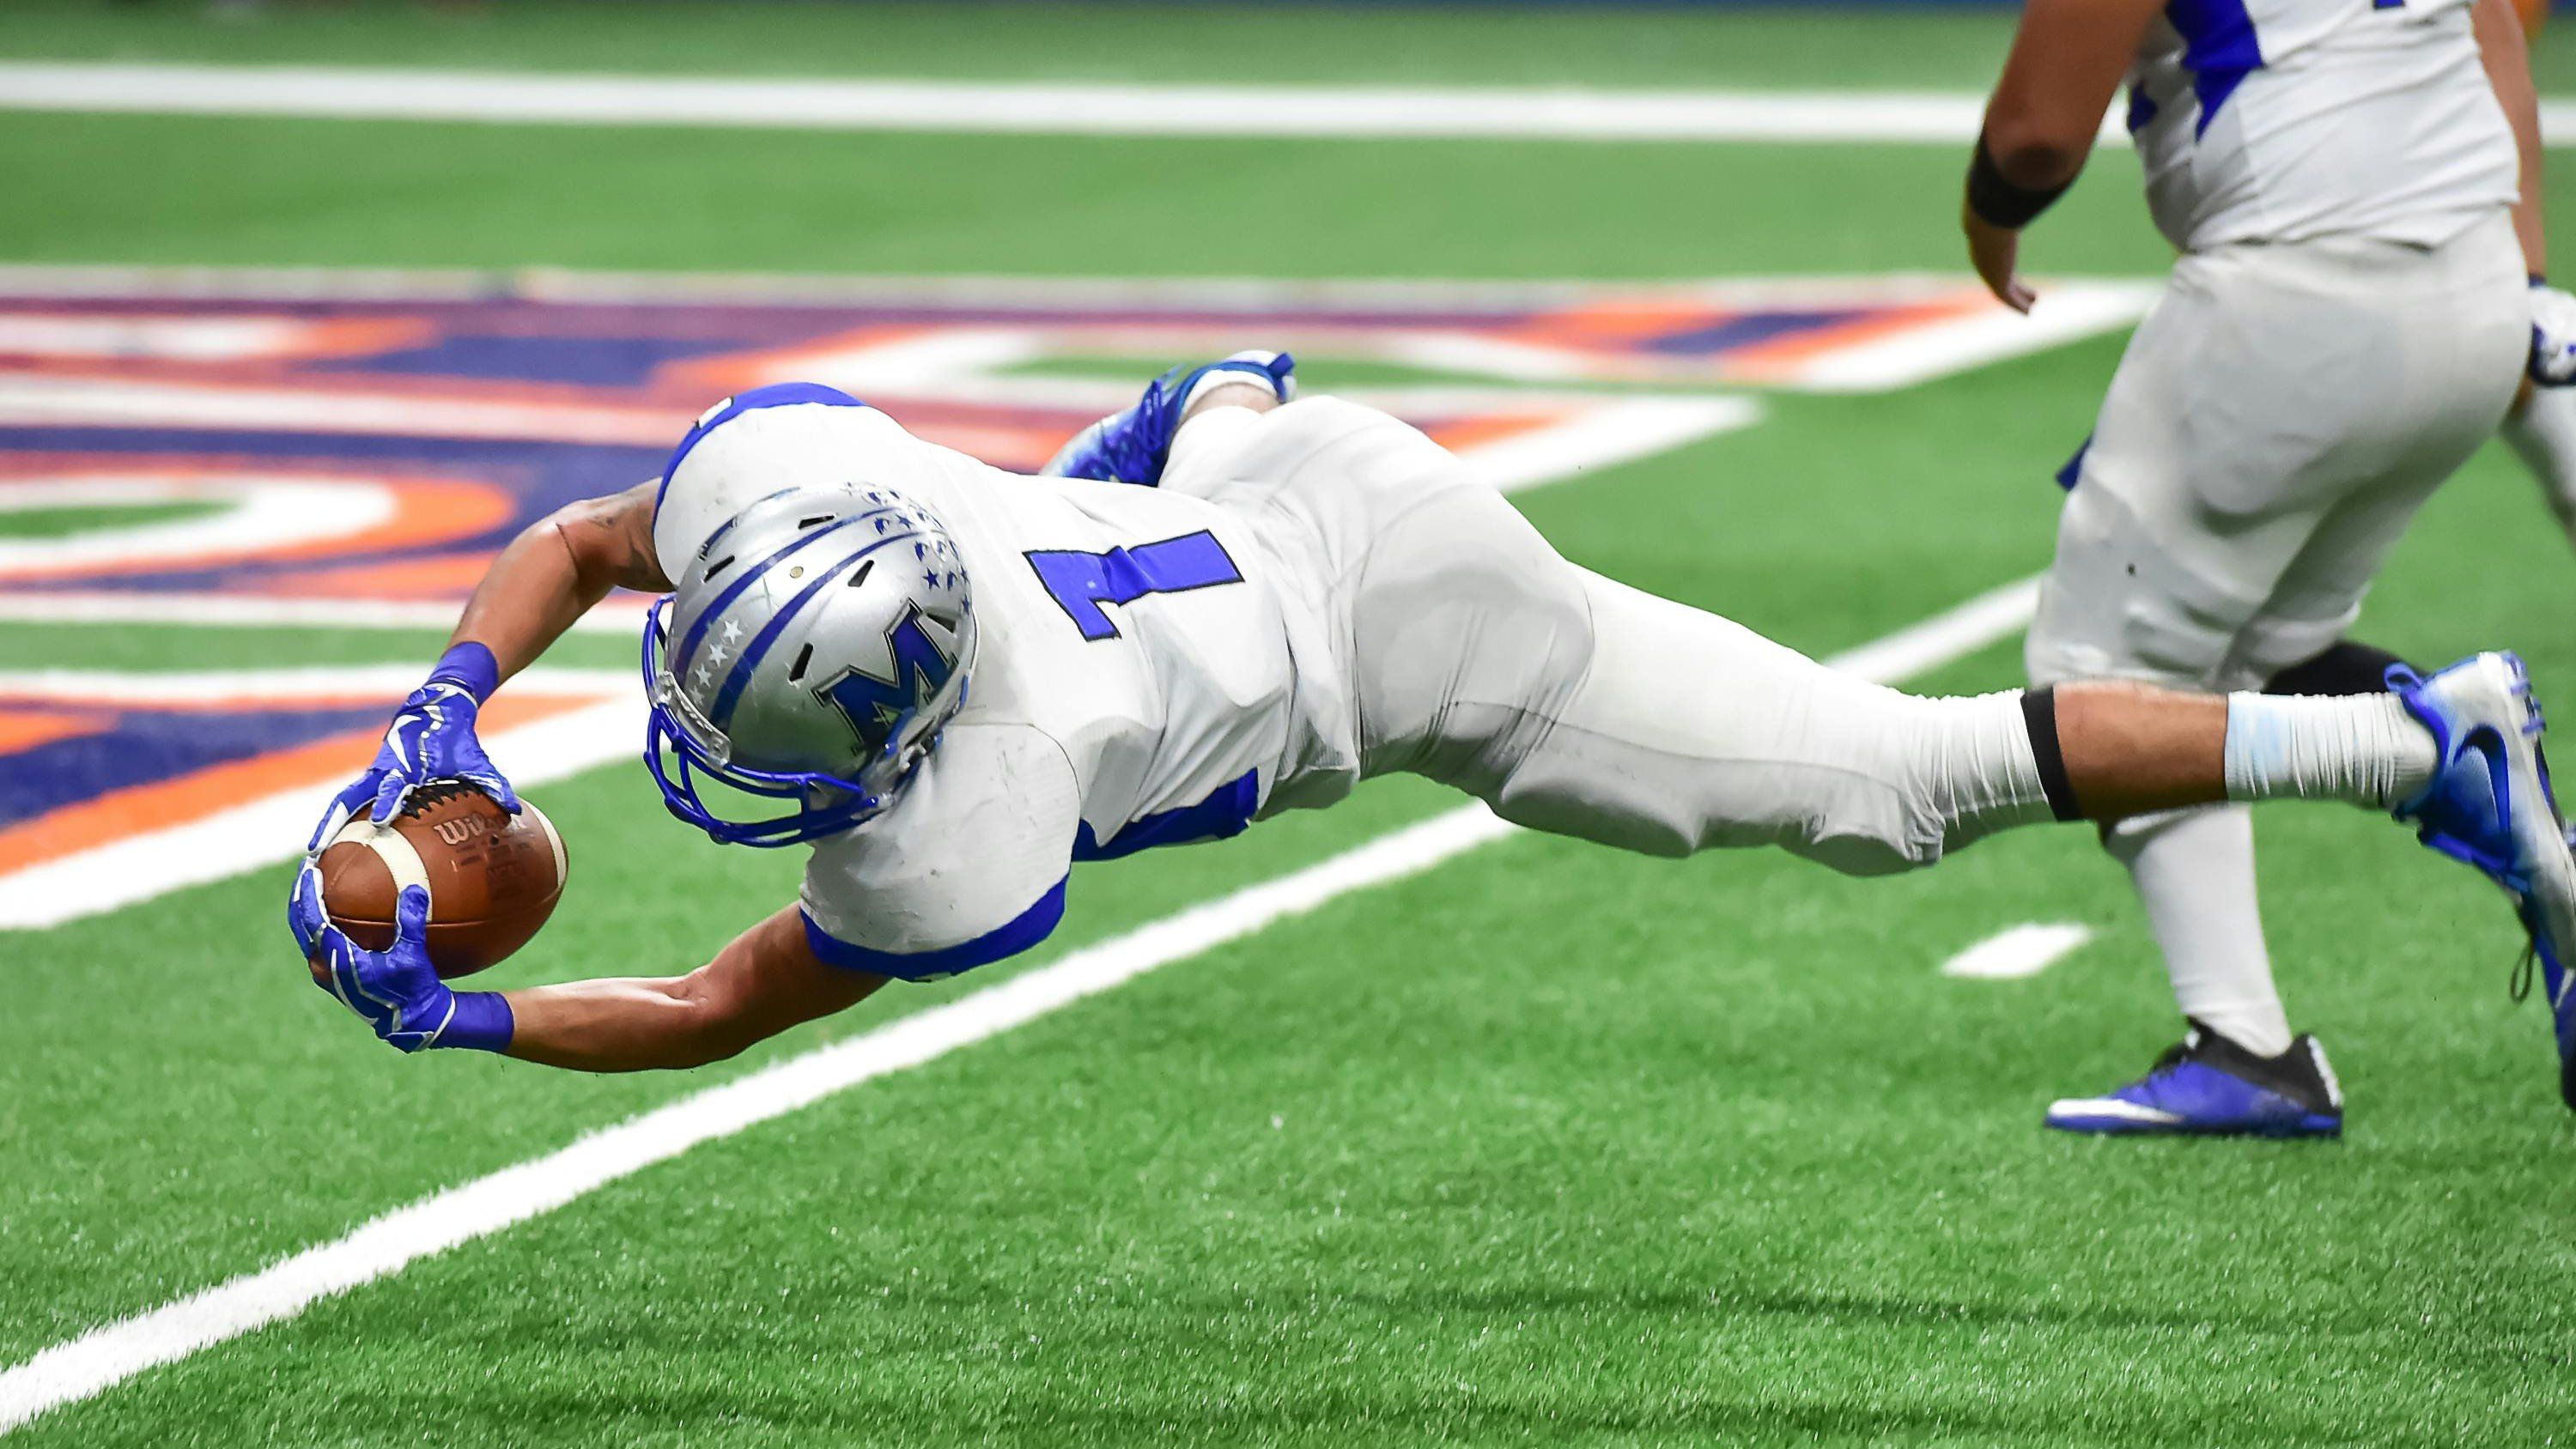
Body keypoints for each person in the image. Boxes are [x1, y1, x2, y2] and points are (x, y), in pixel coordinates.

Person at [288, 362, 2575, 1117]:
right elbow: (595, 542)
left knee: (1898, 788)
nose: (670, 676)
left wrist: (468, 1017)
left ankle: (2421, 749)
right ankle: (2417, 754)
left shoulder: (965, 823)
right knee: (1169, 436)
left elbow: (709, 996)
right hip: (1266, 474)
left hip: (1410, 641)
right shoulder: (807, 498)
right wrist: (441, 705)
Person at [1961, 0, 2576, 1135]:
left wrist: (1987, 218)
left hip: (2298, 293)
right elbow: (2498, 23)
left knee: (2102, 675)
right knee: (2261, 649)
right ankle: (2481, 785)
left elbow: (2035, 136)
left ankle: (2250, 1041)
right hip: (2474, 285)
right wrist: (2525, 277)